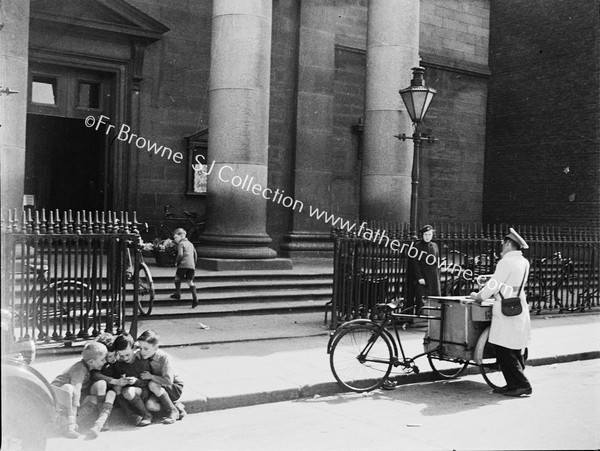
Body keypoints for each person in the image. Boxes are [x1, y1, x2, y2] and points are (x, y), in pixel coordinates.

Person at [469, 228, 532, 397]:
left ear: (510, 244)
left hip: (505, 310)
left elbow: (494, 284)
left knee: (503, 349)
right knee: (515, 347)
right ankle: (513, 384)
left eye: (504, 244)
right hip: (518, 305)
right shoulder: (524, 262)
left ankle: (522, 385)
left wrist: (479, 296)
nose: (502, 247)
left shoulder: (505, 262)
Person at [51, 341, 107, 438]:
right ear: (91, 362)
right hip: (57, 396)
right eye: (102, 360)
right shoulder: (80, 369)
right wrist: (75, 408)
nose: (105, 362)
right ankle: (69, 425)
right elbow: (76, 390)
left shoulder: (88, 367)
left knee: (93, 399)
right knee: (70, 389)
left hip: (68, 398)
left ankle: (73, 421)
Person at [137, 329, 186, 424]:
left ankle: (173, 411)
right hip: (159, 387)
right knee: (150, 405)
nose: (142, 351)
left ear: (155, 347)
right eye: (140, 348)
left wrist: (151, 376)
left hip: (173, 387)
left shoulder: (164, 358)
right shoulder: (143, 354)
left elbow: (168, 380)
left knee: (152, 384)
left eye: (146, 349)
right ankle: (176, 406)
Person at [112, 333, 154, 426]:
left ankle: (147, 415)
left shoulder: (142, 362)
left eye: (127, 355)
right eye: (121, 356)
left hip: (143, 391)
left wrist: (136, 381)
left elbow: (147, 382)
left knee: (128, 391)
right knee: (117, 388)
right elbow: (116, 379)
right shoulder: (118, 364)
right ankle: (131, 415)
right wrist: (120, 381)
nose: (125, 358)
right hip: (127, 393)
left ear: (133, 349)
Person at [406, 225, 441, 315]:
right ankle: (421, 317)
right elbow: (415, 263)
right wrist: (419, 277)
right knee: (421, 298)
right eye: (425, 234)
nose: (427, 236)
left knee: (434, 297)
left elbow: (437, 261)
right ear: (422, 235)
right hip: (423, 277)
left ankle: (433, 316)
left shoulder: (434, 246)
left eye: (429, 234)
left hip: (433, 277)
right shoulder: (418, 246)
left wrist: (437, 275)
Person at [170, 228, 199, 308]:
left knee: (177, 278)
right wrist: (194, 264)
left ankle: (178, 293)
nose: (175, 239)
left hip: (183, 265)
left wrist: (177, 262)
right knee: (190, 281)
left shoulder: (181, 244)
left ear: (181, 236)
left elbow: (180, 254)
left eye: (175, 237)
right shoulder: (190, 244)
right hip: (191, 266)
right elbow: (195, 255)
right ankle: (195, 298)